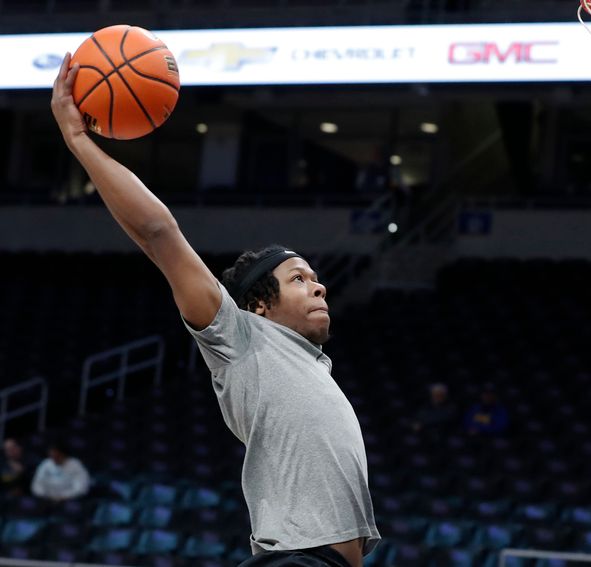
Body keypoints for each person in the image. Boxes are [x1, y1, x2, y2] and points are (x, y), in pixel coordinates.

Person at [51, 55, 379, 567]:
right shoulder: (242, 339)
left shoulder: (309, 365)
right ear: (258, 306)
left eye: (316, 279)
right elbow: (159, 234)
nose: (319, 287)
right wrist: (78, 139)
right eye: (299, 278)